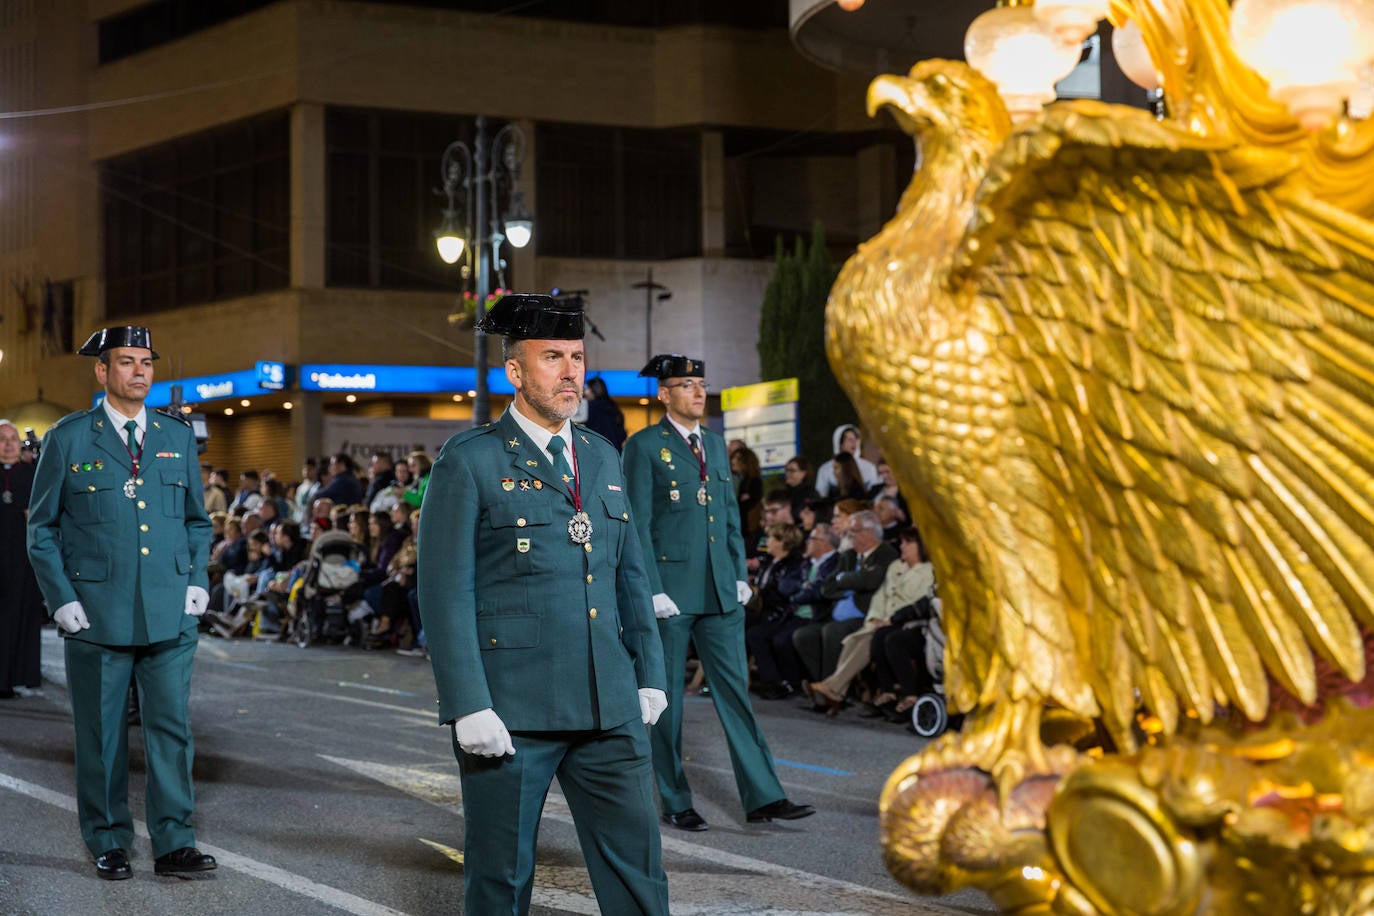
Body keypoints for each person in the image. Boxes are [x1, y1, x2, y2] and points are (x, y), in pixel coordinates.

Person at [417, 294, 670, 915]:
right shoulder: (471, 460)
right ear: (515, 372)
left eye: (577, 357)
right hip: (513, 710)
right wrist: (467, 702)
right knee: (501, 878)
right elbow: (444, 591)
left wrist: (651, 674)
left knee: (639, 873)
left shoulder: (603, 455)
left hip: (608, 704)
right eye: (552, 356)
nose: (570, 372)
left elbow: (630, 576)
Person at [26, 326, 216, 880]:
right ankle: (108, 837)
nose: (139, 371)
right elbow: (41, 530)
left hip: (169, 609)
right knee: (102, 734)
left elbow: (197, 521)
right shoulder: (69, 438)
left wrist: (197, 577)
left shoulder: (176, 437)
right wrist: (60, 598)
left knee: (172, 732)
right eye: (127, 362)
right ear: (102, 372)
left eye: (146, 362)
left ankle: (175, 841)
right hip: (97, 613)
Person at [623, 352, 814, 832]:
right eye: (687, 385)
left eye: (702, 383)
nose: (698, 392)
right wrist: (651, 589)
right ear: (664, 394)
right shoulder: (644, 446)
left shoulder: (714, 442)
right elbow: (637, 525)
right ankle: (674, 797)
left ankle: (763, 795)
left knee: (736, 695)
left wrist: (738, 574)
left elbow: (728, 517)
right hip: (670, 595)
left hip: (719, 592)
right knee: (666, 700)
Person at [805, 527, 935, 716]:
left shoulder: (929, 572)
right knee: (852, 641)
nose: (902, 546)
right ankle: (834, 692)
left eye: (907, 543)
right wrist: (875, 618)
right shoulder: (896, 567)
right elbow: (880, 596)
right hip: (882, 619)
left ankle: (832, 688)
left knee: (870, 639)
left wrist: (889, 620)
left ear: (920, 546)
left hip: (905, 623)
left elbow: (916, 605)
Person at [0, 419, 43, 698]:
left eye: (13, 438)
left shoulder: (32, 474)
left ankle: (12, 677)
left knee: (18, 619)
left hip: (21, 563)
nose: (8, 444)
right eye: (2, 439)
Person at [814, 424, 879, 498]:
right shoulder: (825, 469)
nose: (854, 443)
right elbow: (821, 495)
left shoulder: (869, 467)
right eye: (849, 440)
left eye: (856, 439)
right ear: (840, 443)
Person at [583, 376, 627, 450]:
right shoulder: (614, 407)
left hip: (597, 451)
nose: (584, 392)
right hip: (615, 452)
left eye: (587, 388)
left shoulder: (590, 407)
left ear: (594, 390)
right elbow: (621, 434)